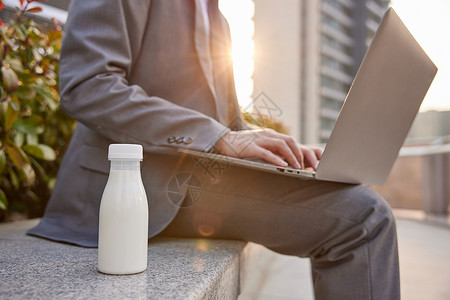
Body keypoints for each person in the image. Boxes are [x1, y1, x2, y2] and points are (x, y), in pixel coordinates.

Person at [28, 0, 400, 299]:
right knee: (363, 219)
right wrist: (219, 136)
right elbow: (88, 85)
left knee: (360, 207)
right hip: (135, 189)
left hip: (199, 178)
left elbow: (228, 124)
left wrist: (278, 149)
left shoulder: (217, 17)